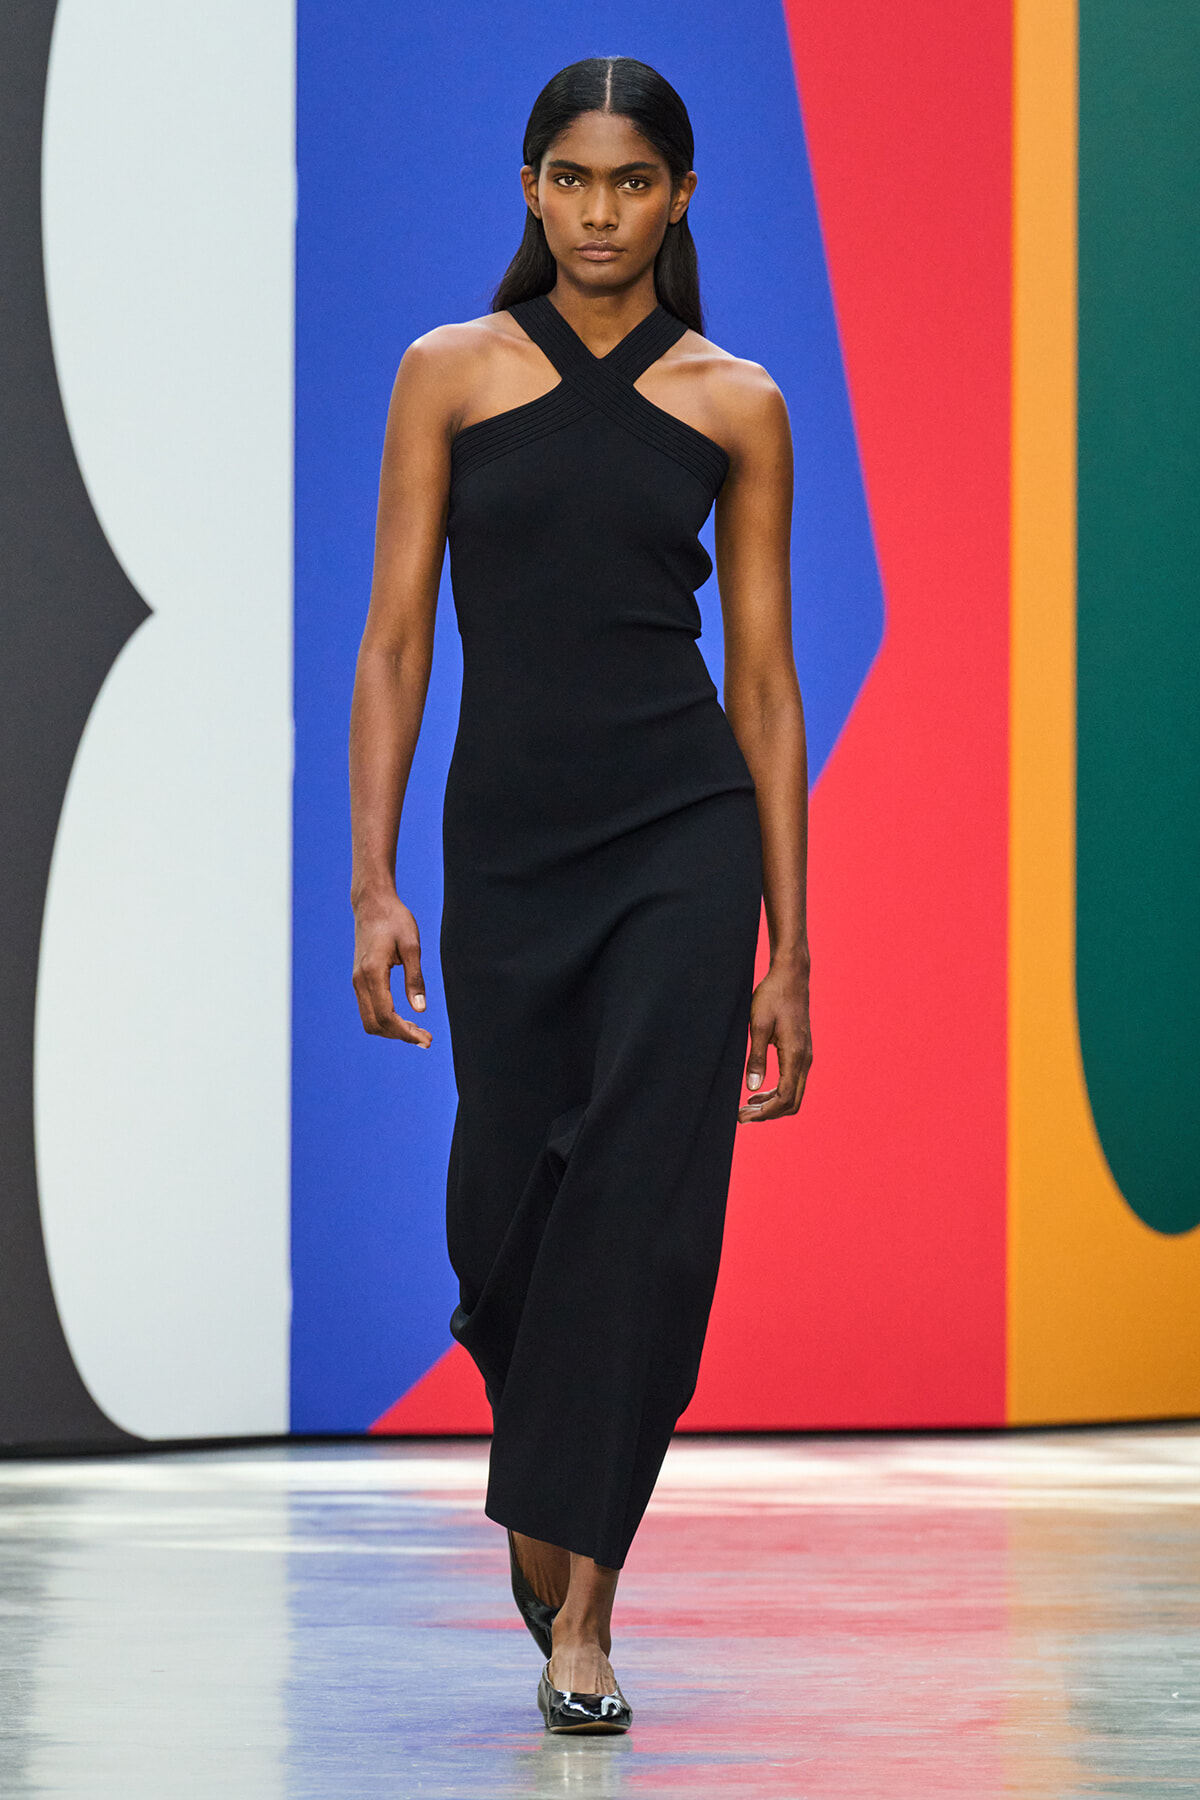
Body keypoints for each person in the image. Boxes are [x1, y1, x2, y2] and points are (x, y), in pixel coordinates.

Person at [349, 55, 812, 1733]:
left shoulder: (735, 400)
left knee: (642, 1198)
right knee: (503, 1217)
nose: (600, 210)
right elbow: (396, 638)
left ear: (683, 195)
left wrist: (794, 948)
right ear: (530, 190)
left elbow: (763, 686)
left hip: (684, 836)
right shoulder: (447, 375)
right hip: (512, 850)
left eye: (632, 181)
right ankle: (546, 1462)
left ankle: (588, 1616)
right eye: (570, 178)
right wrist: (371, 882)